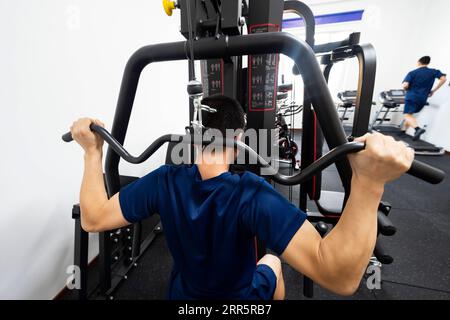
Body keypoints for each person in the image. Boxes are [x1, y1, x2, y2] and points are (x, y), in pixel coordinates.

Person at [69, 95, 413, 300]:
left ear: (194, 135)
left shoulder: (163, 180)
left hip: (182, 298)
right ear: (236, 137)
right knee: (273, 263)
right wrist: (369, 185)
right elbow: (339, 276)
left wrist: (91, 153)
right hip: (239, 301)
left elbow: (93, 218)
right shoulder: (250, 193)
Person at [402, 56, 447, 140]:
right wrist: (434, 90)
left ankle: (417, 129)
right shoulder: (434, 72)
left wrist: (405, 88)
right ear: (428, 63)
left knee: (407, 116)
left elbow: (405, 85)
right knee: (410, 115)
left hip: (412, 96)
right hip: (423, 98)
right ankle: (403, 131)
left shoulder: (412, 73)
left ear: (419, 62)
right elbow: (443, 79)